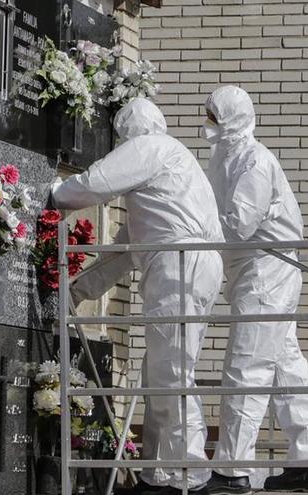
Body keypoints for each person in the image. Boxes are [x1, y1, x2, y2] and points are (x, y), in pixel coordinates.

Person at [51, 97, 224, 495]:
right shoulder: (166, 180)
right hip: (190, 265)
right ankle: (158, 474)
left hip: (179, 264)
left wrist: (56, 194)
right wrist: (78, 291)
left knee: (172, 371)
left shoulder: (151, 148)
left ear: (129, 131)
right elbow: (122, 253)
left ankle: (188, 473)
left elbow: (96, 182)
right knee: (160, 371)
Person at [201, 86, 308, 494]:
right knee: (286, 367)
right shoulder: (225, 158)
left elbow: (237, 225)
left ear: (233, 117)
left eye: (214, 115)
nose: (209, 123)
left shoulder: (254, 161)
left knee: (245, 366)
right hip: (253, 271)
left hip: (267, 270)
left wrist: (191, 236)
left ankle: (232, 469)